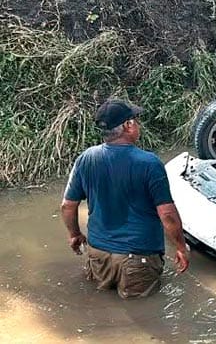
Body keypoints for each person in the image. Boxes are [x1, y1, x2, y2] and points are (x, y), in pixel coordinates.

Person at [60, 99, 190, 299]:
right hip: (138, 259)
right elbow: (167, 214)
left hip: (98, 255)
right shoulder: (149, 163)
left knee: (103, 307)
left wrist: (74, 234)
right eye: (135, 120)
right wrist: (181, 247)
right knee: (142, 313)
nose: (138, 124)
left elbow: (67, 206)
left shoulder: (86, 158)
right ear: (128, 125)